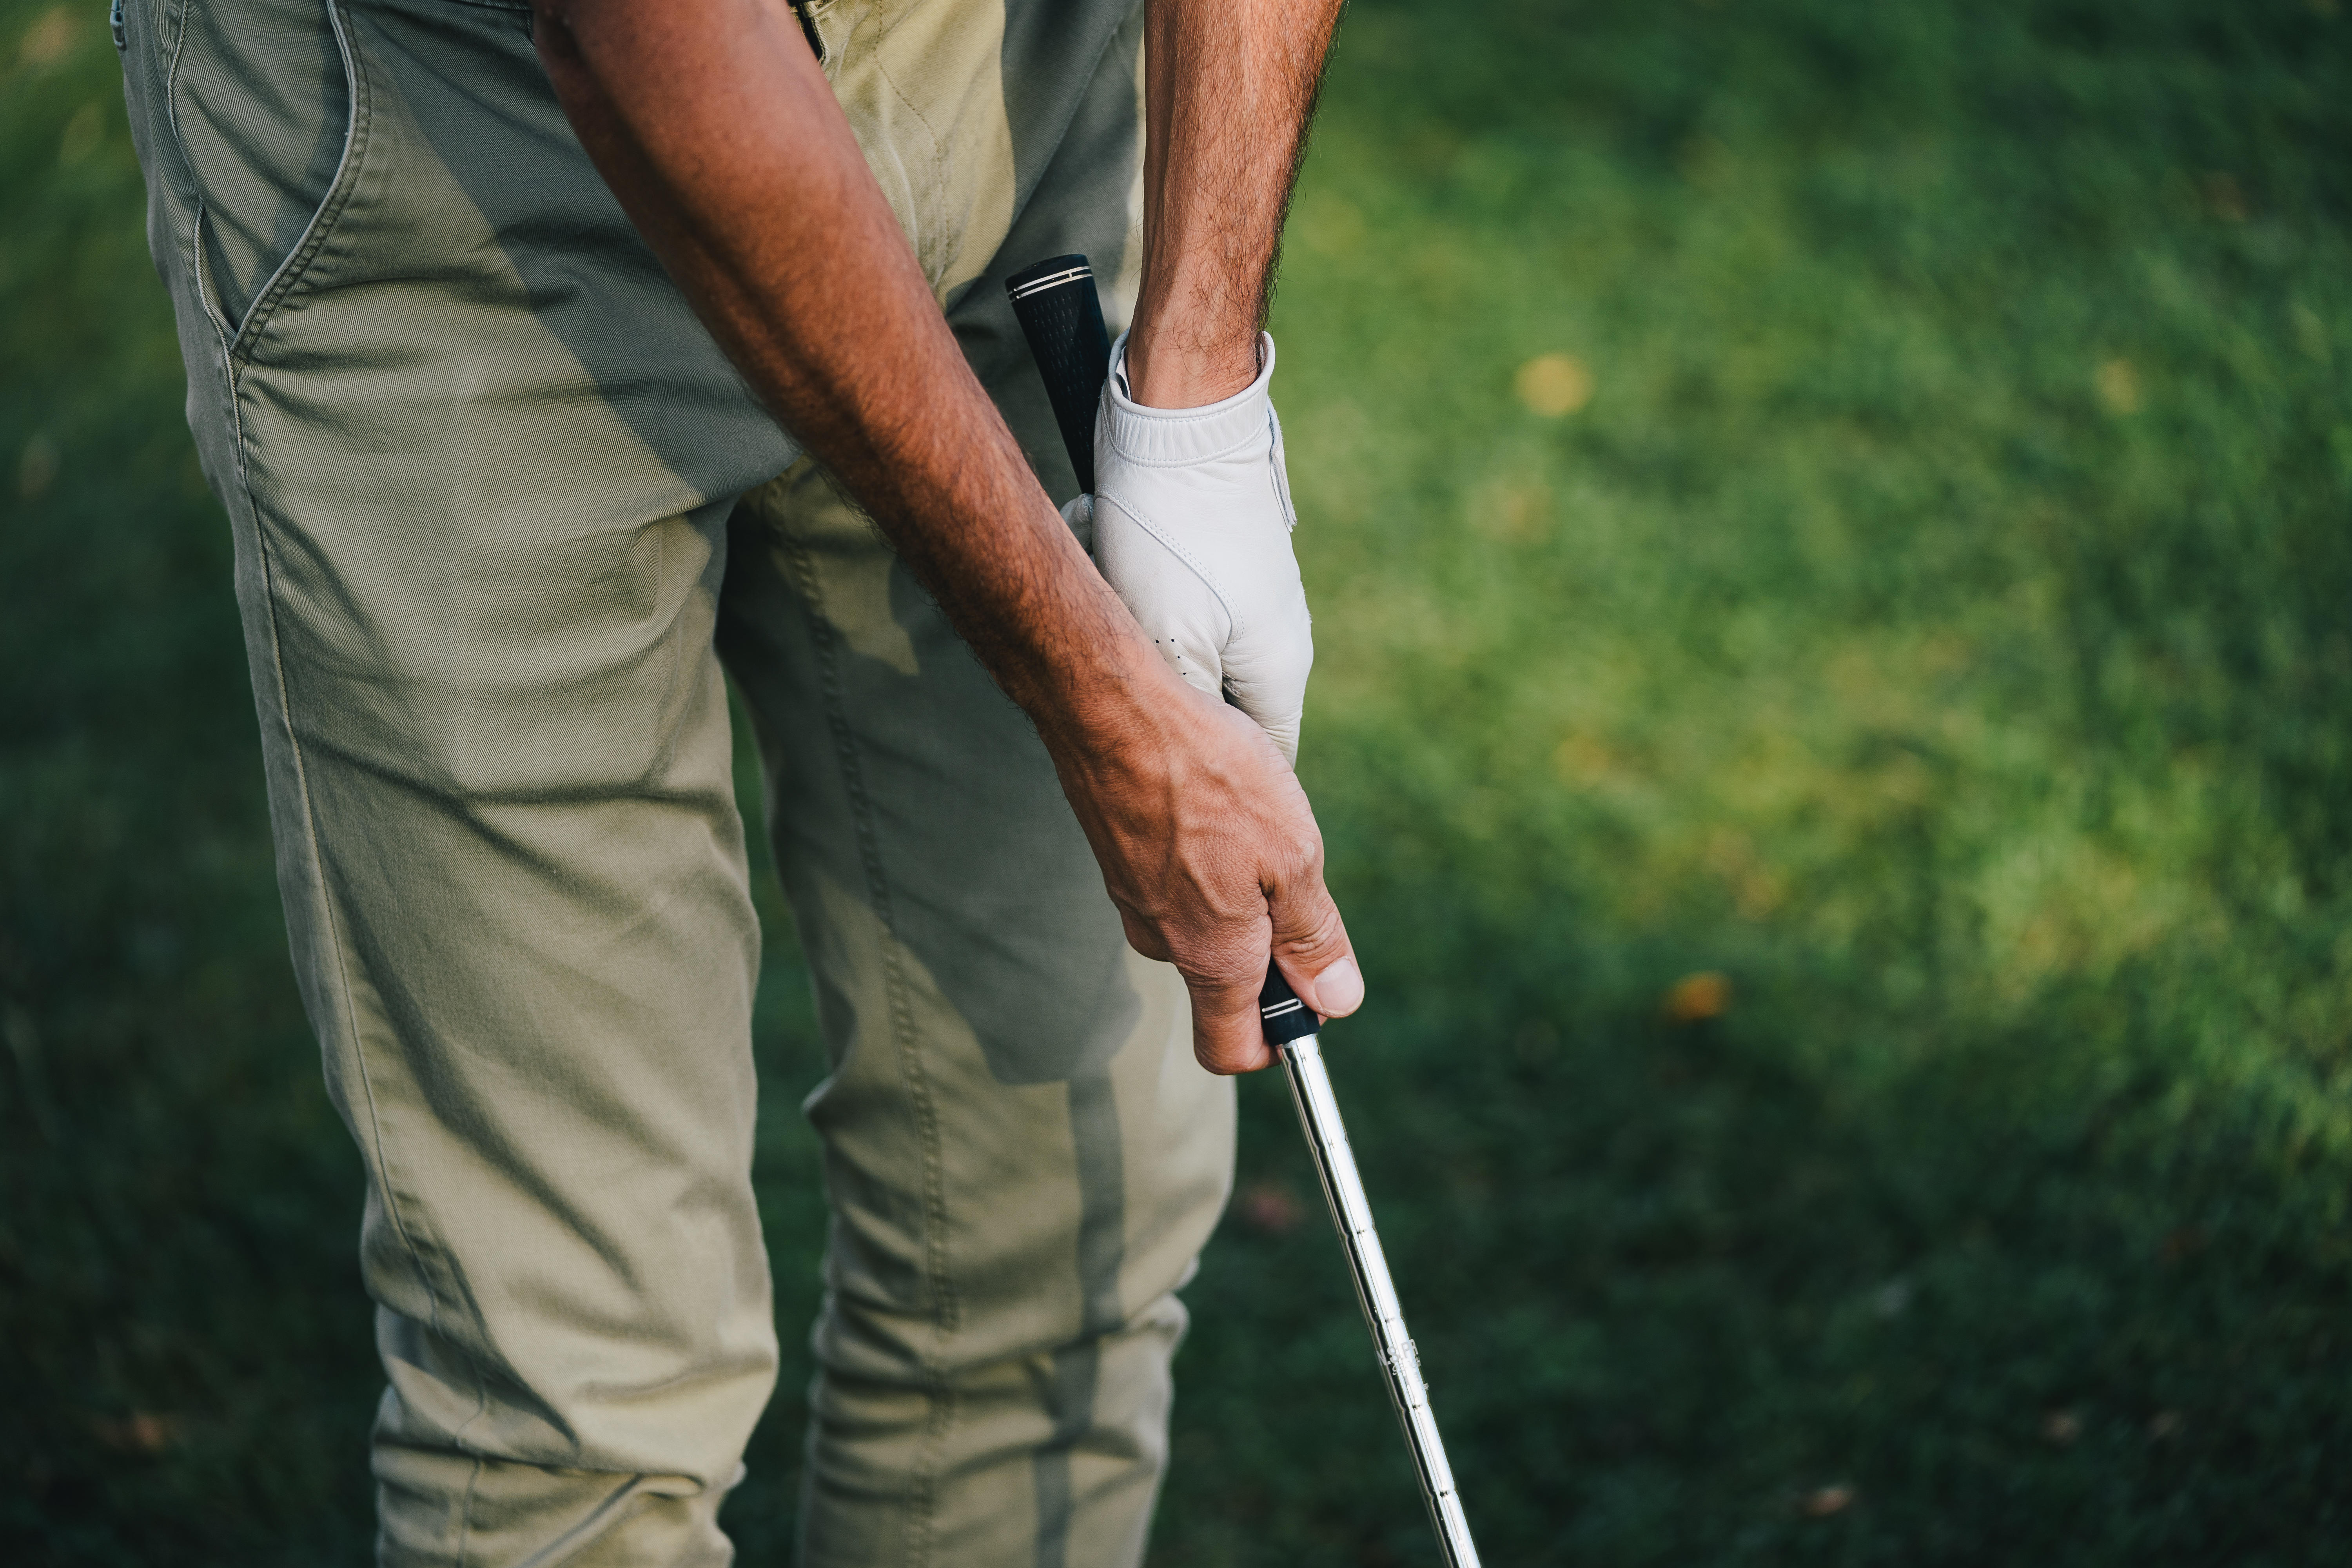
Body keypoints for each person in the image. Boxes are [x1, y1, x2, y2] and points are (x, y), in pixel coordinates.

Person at [116, 0, 1359, 1561]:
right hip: (450, 151)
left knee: (1060, 1229)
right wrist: (1105, 706)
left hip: (976, 77)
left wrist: (1201, 390)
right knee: (588, 1400)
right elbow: (656, 36)